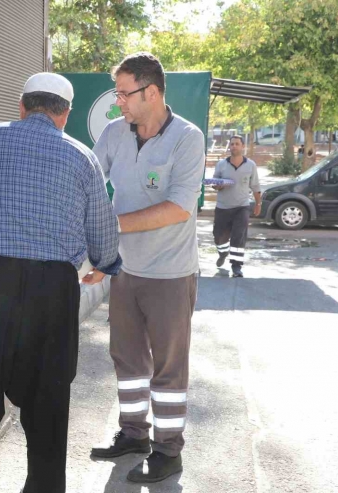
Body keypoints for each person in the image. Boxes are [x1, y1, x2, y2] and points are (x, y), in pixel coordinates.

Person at [0, 72, 122, 493]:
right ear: (66, 115)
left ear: (22, 105)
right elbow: (104, 237)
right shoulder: (81, 157)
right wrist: (108, 265)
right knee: (47, 406)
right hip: (50, 291)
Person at [86, 52, 204, 484]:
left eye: (123, 93)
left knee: (168, 367)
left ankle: (169, 451)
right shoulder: (116, 133)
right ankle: (134, 434)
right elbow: (90, 178)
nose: (118, 102)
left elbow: (178, 209)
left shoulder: (187, 139)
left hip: (171, 275)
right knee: (127, 357)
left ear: (150, 92)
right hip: (125, 271)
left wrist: (108, 226)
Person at [212, 135, 261, 277]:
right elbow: (215, 184)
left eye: (237, 144)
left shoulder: (250, 165)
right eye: (232, 144)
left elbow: (256, 186)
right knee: (219, 236)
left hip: (242, 207)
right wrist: (219, 185)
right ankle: (222, 252)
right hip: (223, 207)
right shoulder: (221, 164)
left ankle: (236, 266)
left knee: (239, 237)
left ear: (242, 146)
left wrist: (258, 203)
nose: (234, 146)